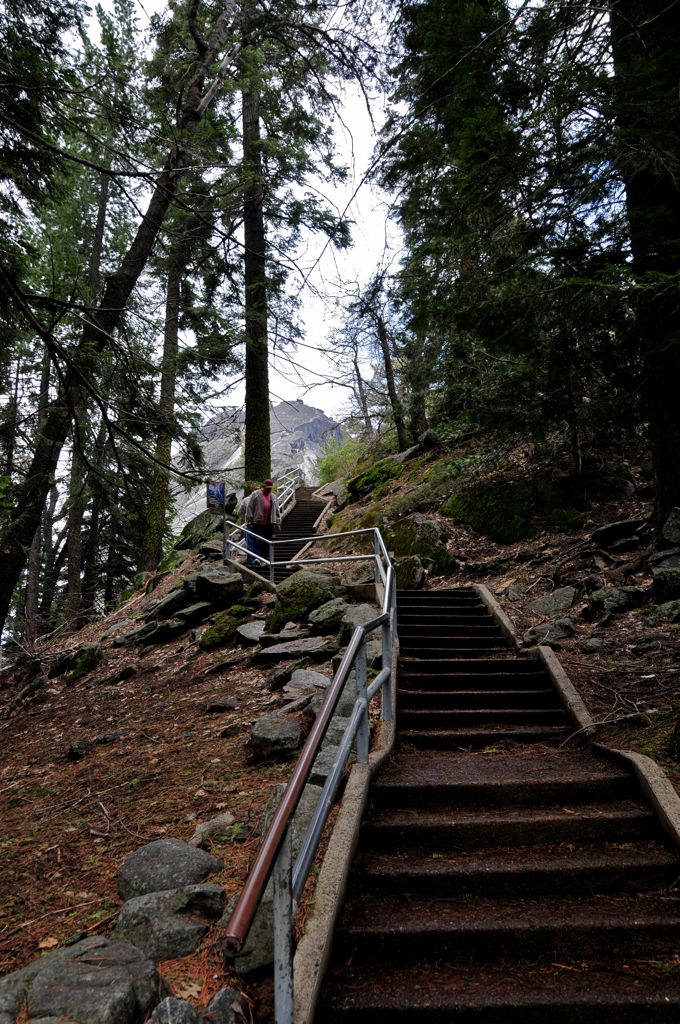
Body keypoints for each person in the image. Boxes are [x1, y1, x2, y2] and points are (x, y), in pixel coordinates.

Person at [244, 479, 282, 566]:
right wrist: (249, 519)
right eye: (267, 488)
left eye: (270, 488)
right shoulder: (256, 494)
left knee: (267, 542)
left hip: (269, 524)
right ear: (263, 487)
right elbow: (249, 507)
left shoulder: (273, 497)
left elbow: (277, 510)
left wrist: (278, 523)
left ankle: (263, 560)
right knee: (258, 541)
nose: (269, 490)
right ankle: (257, 559)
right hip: (257, 522)